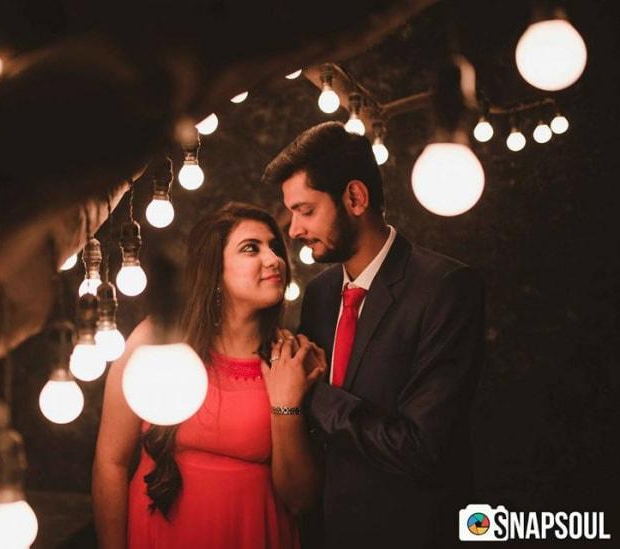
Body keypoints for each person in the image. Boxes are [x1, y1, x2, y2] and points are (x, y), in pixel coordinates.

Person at [262, 122, 485, 548]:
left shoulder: (446, 288)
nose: (292, 230)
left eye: (305, 210)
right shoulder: (320, 294)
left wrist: (312, 393)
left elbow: (420, 448)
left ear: (355, 198)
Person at [92, 202, 327, 549]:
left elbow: (300, 500)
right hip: (160, 533)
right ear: (214, 271)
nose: (274, 259)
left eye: (276, 247)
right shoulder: (157, 344)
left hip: (252, 534)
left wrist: (285, 404)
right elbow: (110, 463)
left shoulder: (290, 358)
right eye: (251, 248)